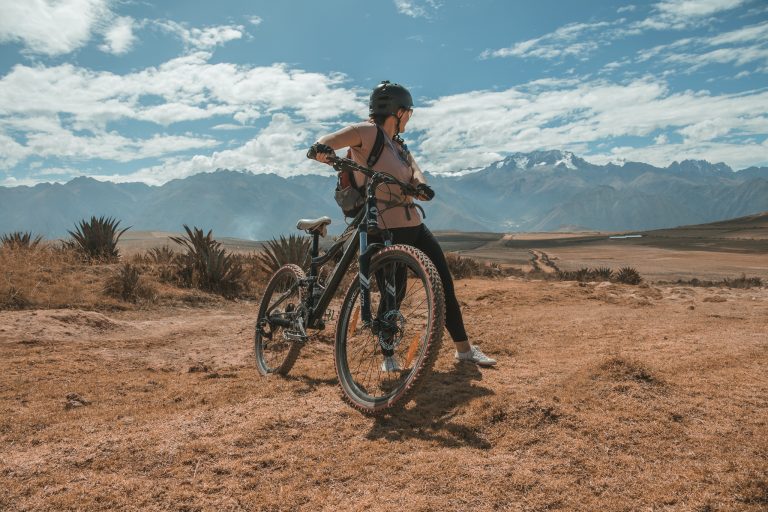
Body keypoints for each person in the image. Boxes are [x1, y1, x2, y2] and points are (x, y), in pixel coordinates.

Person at [308, 80, 496, 370]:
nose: (409, 117)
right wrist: (322, 149)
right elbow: (331, 139)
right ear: (397, 112)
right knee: (393, 293)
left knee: (443, 285)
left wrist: (421, 185)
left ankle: (464, 350)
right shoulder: (367, 132)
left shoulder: (399, 146)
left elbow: (415, 170)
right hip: (382, 227)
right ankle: (389, 357)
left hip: (413, 226)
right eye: (408, 112)